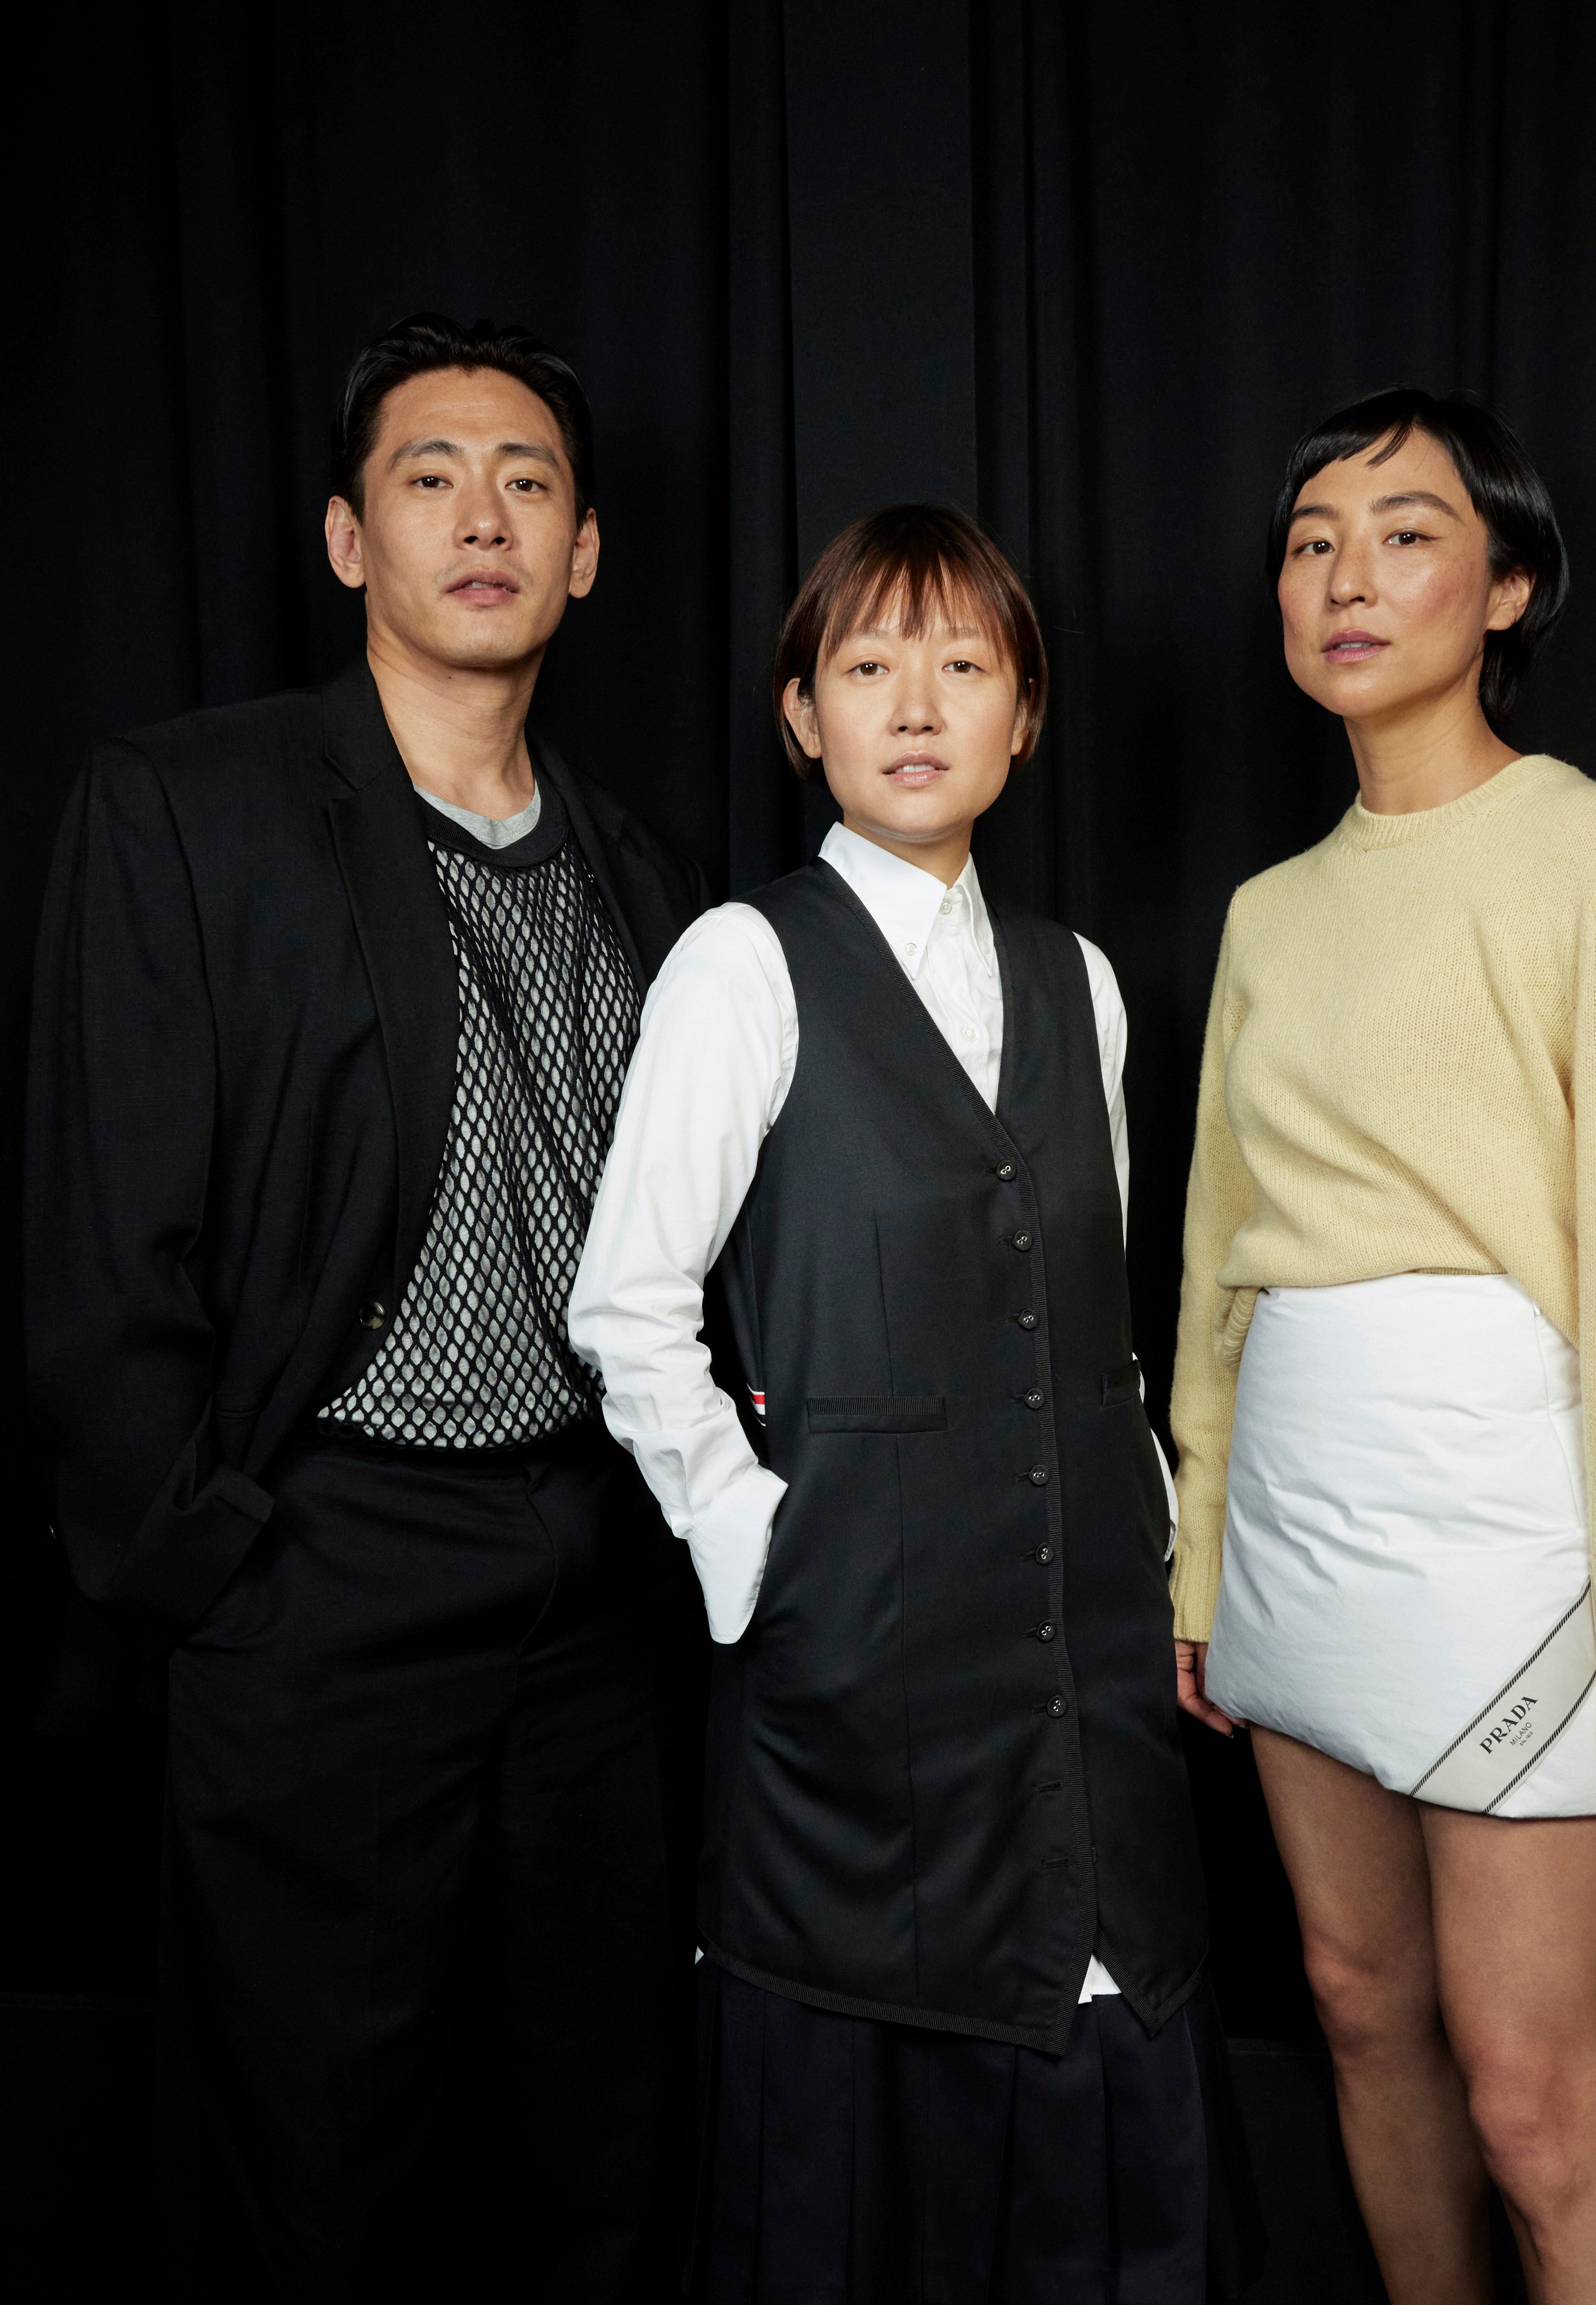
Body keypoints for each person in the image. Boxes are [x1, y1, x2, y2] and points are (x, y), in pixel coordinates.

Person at [26, 312, 710, 2300]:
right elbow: (103, 1239)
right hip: (321, 1569)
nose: (482, 517)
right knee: (315, 2152)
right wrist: (214, 1555)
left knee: (591, 2129)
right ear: (348, 538)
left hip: (587, 1592)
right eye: (430, 476)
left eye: (529, 484)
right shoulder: (191, 808)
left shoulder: (644, 879)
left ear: (586, 552)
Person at [571, 504, 1262, 2304]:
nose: (916, 706)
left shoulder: (1080, 980)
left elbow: (1100, 1326)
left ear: (1024, 716)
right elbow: (629, 1307)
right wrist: (759, 1550)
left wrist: (1163, 1547)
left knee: (1105, 2064)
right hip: (852, 1667)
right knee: (879, 2121)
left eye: (963, 666)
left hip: (1089, 1654)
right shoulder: (744, 961)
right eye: (868, 667)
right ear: (802, 713)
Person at [1169, 386, 1596, 2303]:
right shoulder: (1269, 914)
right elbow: (1218, 1266)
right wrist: (1199, 1557)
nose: (1348, 575)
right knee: (1353, 2008)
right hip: (1297, 1521)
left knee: (1537, 2104)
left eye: (1406, 532)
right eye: (1313, 538)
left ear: (1507, 586)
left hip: (1506, 1524)